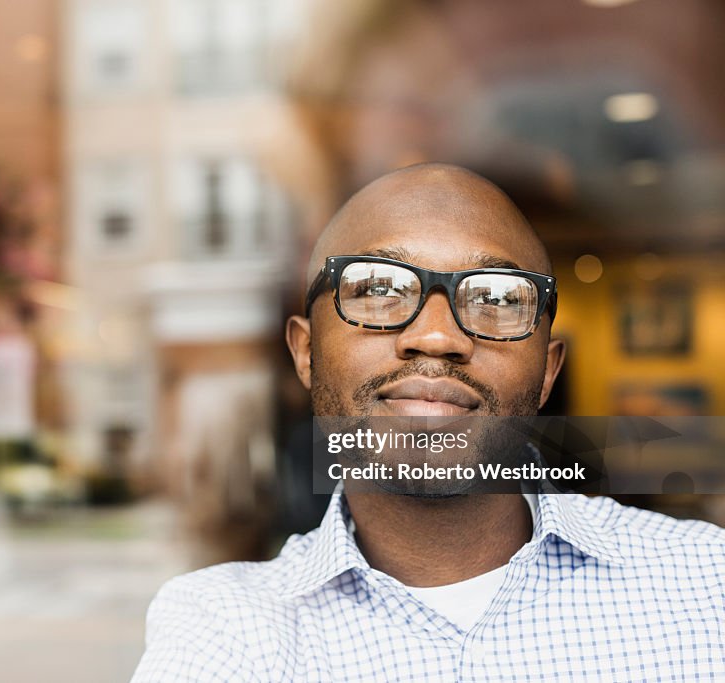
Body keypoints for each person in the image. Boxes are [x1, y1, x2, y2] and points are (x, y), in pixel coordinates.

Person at [132, 163, 725, 681]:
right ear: (306, 352)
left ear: (547, 372)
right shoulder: (221, 629)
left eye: (496, 298)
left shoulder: (707, 587)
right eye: (379, 287)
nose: (437, 336)